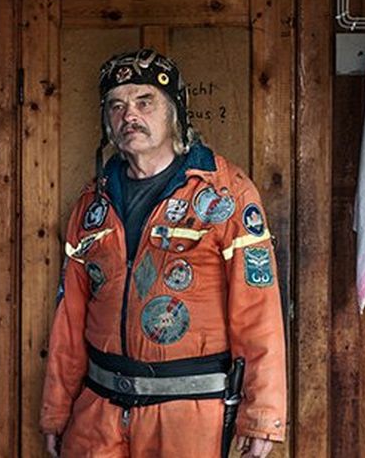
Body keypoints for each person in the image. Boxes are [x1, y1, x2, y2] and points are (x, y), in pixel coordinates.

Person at [40, 49, 287, 458]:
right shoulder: (92, 204)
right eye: (116, 105)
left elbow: (258, 311)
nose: (128, 115)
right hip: (98, 415)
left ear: (174, 112)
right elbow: (69, 320)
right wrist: (56, 409)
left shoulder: (226, 194)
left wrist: (262, 414)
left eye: (144, 101)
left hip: (190, 421)